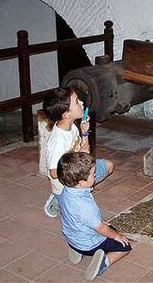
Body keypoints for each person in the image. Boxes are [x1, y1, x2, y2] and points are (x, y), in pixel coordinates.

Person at [57, 152, 131, 281]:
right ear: (81, 182)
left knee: (100, 225)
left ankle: (77, 249)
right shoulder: (84, 206)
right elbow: (101, 229)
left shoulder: (65, 190)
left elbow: (77, 217)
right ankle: (104, 262)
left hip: (72, 237)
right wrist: (117, 235)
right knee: (124, 246)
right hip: (90, 245)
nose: (95, 175)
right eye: (93, 174)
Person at [42, 87, 114, 217]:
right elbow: (53, 172)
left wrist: (84, 132)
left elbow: (84, 153)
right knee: (82, 215)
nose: (81, 103)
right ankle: (59, 199)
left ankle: (78, 192)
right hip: (67, 183)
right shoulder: (58, 140)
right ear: (66, 114)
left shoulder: (72, 126)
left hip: (76, 173)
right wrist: (78, 178)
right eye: (76, 102)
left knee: (108, 166)